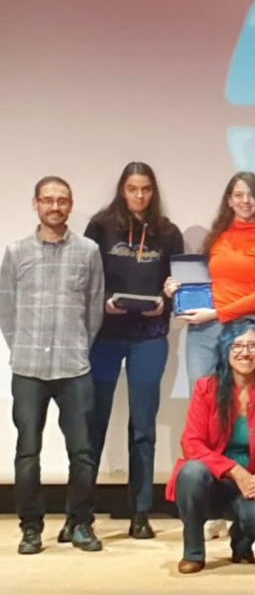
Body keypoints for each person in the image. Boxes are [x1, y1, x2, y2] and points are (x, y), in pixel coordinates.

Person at [2, 176, 105, 555]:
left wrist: (78, 346)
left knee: (82, 452)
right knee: (27, 452)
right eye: (48, 200)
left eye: (62, 200)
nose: (55, 207)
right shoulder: (16, 252)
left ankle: (80, 524)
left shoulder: (88, 251)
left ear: (70, 205)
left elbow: (94, 309)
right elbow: (6, 309)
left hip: (73, 366)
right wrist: (21, 347)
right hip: (28, 368)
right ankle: (31, 528)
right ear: (36, 204)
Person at [84, 162, 184, 540]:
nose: (139, 195)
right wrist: (103, 302)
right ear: (122, 190)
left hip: (149, 336)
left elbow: (177, 284)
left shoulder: (168, 232)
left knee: (143, 427)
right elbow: (86, 278)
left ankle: (140, 511)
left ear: (153, 191)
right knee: (94, 422)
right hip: (106, 337)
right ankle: (81, 514)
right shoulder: (100, 227)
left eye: (145, 189)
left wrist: (166, 301)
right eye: (132, 189)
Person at [166, 317, 255, 574]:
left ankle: (242, 541)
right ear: (226, 349)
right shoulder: (206, 388)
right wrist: (234, 470)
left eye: (253, 345)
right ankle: (193, 552)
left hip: (250, 482)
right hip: (212, 481)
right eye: (238, 345)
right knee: (191, 471)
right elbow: (192, 442)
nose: (245, 352)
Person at [164, 171, 255, 393]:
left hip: (244, 328)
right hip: (202, 330)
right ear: (229, 201)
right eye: (238, 195)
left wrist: (216, 314)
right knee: (201, 396)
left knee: (241, 399)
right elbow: (202, 283)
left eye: (251, 195)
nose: (245, 201)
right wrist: (176, 290)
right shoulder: (217, 236)